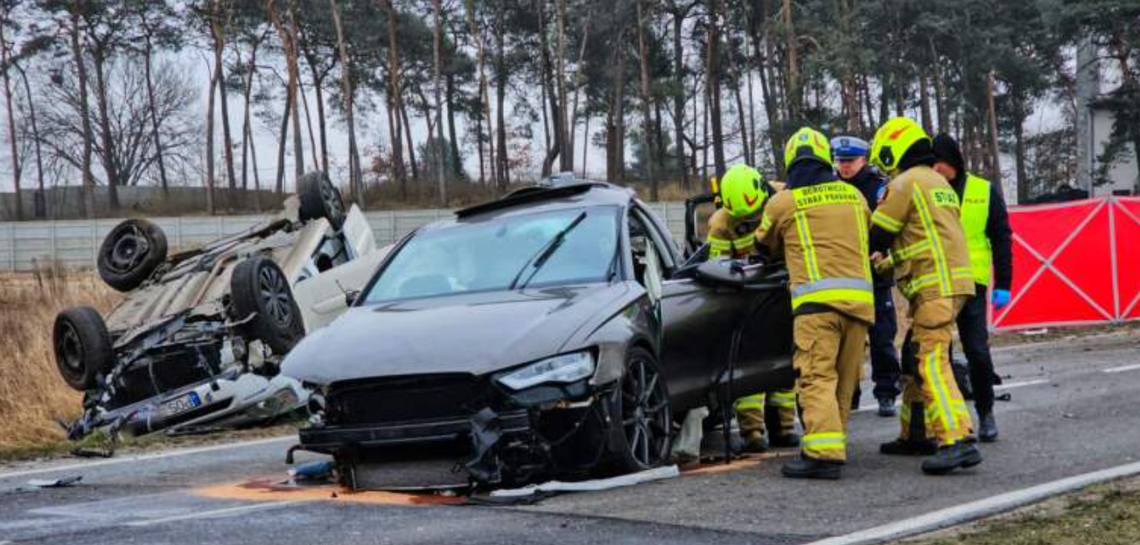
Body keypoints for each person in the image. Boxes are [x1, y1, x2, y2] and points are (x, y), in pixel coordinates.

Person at [754, 127, 874, 480]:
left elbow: (764, 246)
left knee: (816, 377)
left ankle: (822, 454)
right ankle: (834, 444)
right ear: (826, 159)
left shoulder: (784, 202)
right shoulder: (854, 196)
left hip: (816, 305)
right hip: (859, 304)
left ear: (791, 162)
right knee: (842, 380)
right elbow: (866, 236)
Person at [867, 117, 982, 475]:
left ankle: (957, 439)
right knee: (917, 355)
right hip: (951, 282)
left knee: (932, 360)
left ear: (894, 148)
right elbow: (924, 241)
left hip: (935, 285)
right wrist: (890, 264)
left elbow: (878, 234)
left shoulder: (906, 182)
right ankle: (915, 433)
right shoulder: (938, 182)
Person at [707, 164, 799, 452]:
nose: (749, 221)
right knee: (751, 373)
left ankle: (783, 429)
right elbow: (715, 270)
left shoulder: (786, 196)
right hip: (748, 301)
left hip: (786, 292)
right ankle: (752, 434)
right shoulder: (721, 223)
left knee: (786, 365)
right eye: (743, 219)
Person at [931, 133, 1013, 442]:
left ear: (952, 162)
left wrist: (1004, 283)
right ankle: (948, 422)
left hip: (973, 286)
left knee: (977, 352)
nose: (935, 172)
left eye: (938, 166)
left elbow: (1002, 237)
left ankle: (986, 412)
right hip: (936, 283)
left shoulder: (982, 191)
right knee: (939, 355)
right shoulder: (928, 189)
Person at [832, 135, 901, 417]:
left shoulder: (878, 188)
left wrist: (881, 252)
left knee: (882, 338)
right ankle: (850, 394)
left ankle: (886, 393)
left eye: (850, 161)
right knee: (846, 342)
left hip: (874, 276)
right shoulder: (831, 188)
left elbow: (890, 226)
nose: (844, 166)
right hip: (844, 275)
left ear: (863, 160)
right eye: (840, 161)